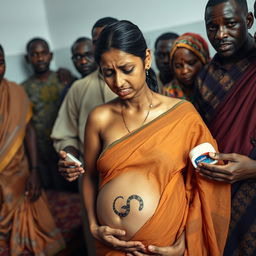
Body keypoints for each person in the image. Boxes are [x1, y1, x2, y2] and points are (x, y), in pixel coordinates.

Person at [82, 20, 230, 256]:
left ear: (147, 59)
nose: (118, 82)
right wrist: (93, 226)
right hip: (111, 247)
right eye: (108, 73)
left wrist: (185, 242)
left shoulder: (182, 115)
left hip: (165, 246)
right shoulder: (99, 118)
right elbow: (88, 177)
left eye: (127, 69)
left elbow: (205, 186)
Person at [194, 0, 256, 255]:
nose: (220, 35)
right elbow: (199, 139)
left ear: (249, 21)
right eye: (212, 27)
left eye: (230, 24)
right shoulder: (204, 78)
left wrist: (253, 169)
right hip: (223, 192)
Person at [0, 44, 65, 255]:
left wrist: (34, 170)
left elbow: (28, 131)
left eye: (1, 62)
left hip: (21, 169)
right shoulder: (24, 86)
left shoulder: (15, 91)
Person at [51, 17, 118, 180]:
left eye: (109, 39)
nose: (104, 45)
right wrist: (70, 156)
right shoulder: (78, 88)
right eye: (97, 42)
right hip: (91, 177)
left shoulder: (145, 80)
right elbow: (65, 134)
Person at [22, 37, 75, 190]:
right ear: (28, 58)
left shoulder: (64, 79)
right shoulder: (23, 89)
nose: (40, 58)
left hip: (67, 149)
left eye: (43, 53)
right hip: (41, 155)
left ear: (50, 55)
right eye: (34, 54)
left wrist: (69, 77)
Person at [163, 33, 210, 100]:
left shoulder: (216, 85)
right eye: (178, 66)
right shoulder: (166, 94)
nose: (185, 71)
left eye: (191, 63)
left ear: (203, 60)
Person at [60, 37, 98, 101]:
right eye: (78, 57)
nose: (83, 61)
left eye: (88, 55)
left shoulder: (109, 82)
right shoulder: (71, 89)